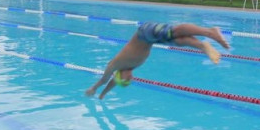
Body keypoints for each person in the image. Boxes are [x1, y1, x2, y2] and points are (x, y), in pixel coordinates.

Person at [85, 23, 230, 100]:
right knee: (177, 41)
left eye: (126, 81)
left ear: (118, 75)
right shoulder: (133, 65)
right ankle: (202, 46)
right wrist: (103, 95)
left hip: (145, 32)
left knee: (175, 31)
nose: (130, 79)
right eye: (129, 81)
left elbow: (106, 79)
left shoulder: (116, 64)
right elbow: (115, 81)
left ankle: (209, 32)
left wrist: (95, 88)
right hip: (152, 39)